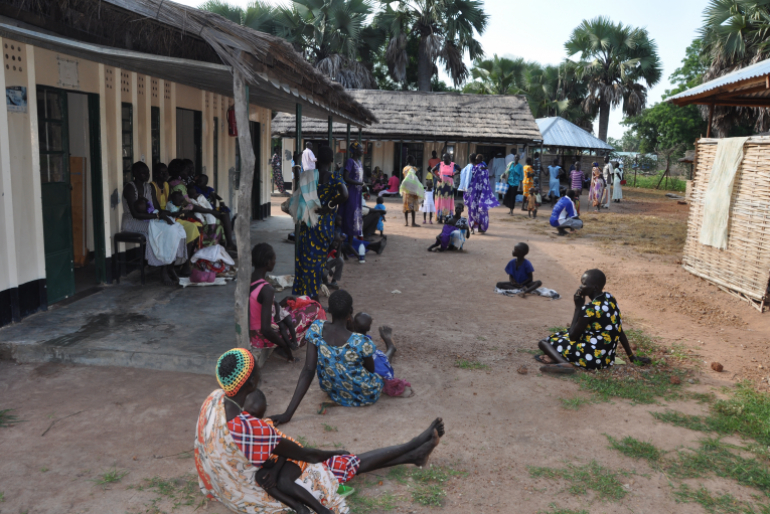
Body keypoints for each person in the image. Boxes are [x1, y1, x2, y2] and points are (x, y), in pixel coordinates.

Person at [195, 348, 445, 514]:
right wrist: (335, 452)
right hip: (251, 491)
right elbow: (308, 455)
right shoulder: (249, 428)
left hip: (225, 486)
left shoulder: (213, 400)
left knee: (307, 465)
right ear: (251, 381)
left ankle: (414, 454)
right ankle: (413, 445)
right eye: (256, 367)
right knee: (340, 463)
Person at [270, 291, 402, 422]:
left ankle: (389, 349)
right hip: (365, 395)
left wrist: (287, 414)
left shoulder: (316, 329)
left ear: (329, 310)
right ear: (350, 311)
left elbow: (308, 370)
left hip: (335, 392)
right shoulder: (362, 341)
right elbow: (370, 371)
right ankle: (390, 347)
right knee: (378, 360)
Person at [535, 270, 651, 374]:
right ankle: (560, 357)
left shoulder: (590, 309)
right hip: (606, 360)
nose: (580, 287)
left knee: (545, 342)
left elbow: (573, 337)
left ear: (594, 288)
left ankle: (564, 363)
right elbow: (618, 329)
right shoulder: (610, 298)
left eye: (584, 284)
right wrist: (631, 356)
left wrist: (578, 307)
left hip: (592, 360)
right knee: (562, 334)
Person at [250, 243, 327, 362]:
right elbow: (266, 329)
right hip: (262, 337)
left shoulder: (250, 280)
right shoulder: (266, 289)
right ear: (267, 262)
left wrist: (281, 303)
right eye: (274, 259)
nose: (275, 262)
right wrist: (285, 347)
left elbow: (261, 308)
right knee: (314, 308)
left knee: (299, 306)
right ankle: (289, 344)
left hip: (254, 333)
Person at [293, 146, 348, 299]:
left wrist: (296, 163)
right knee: (318, 262)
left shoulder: (309, 176)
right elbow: (345, 194)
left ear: (316, 160)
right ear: (331, 161)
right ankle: (314, 296)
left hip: (308, 224)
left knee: (307, 261)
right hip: (324, 227)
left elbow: (298, 180)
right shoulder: (334, 177)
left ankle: (309, 296)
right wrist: (329, 205)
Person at [121, 161, 187, 285]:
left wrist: (168, 214)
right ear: (135, 173)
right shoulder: (130, 188)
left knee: (176, 228)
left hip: (149, 218)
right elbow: (135, 214)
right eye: (143, 173)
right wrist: (157, 216)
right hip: (133, 222)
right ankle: (163, 269)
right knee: (164, 231)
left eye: (148, 173)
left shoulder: (148, 187)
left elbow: (156, 207)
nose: (147, 175)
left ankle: (170, 265)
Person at [351, 315, 412, 398]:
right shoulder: (367, 344)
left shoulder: (345, 339)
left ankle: (391, 348)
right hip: (367, 376)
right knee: (380, 360)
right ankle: (391, 348)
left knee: (375, 358)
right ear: (369, 328)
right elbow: (372, 368)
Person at [463, 154, 499, 233]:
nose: (476, 160)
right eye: (476, 159)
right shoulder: (475, 167)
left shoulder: (481, 167)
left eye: (478, 159)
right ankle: (474, 228)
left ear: (481, 160)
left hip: (479, 193)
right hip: (473, 193)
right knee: (474, 211)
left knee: (478, 211)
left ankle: (478, 227)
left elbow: (484, 178)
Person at [339, 141, 364, 242]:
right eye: (360, 149)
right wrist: (359, 183)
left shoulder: (360, 162)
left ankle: (351, 241)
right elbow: (346, 177)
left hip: (358, 193)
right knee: (350, 214)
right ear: (355, 151)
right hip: (351, 192)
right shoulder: (350, 162)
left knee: (356, 215)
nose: (362, 151)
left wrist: (362, 185)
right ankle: (346, 241)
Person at [430, 153, 461, 222]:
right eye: (443, 158)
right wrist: (436, 177)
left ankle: (447, 217)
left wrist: (454, 174)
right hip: (441, 185)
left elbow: (460, 170)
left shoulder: (453, 164)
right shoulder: (440, 164)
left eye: (445, 158)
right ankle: (440, 217)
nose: (444, 159)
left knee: (448, 200)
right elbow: (432, 170)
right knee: (440, 200)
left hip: (449, 185)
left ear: (449, 158)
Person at [400, 156, 425, 227]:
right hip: (413, 190)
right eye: (414, 160)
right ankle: (413, 223)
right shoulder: (414, 168)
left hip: (406, 190)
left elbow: (404, 178)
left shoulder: (404, 168)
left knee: (406, 205)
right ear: (411, 161)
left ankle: (406, 222)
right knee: (413, 206)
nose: (415, 161)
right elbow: (418, 178)